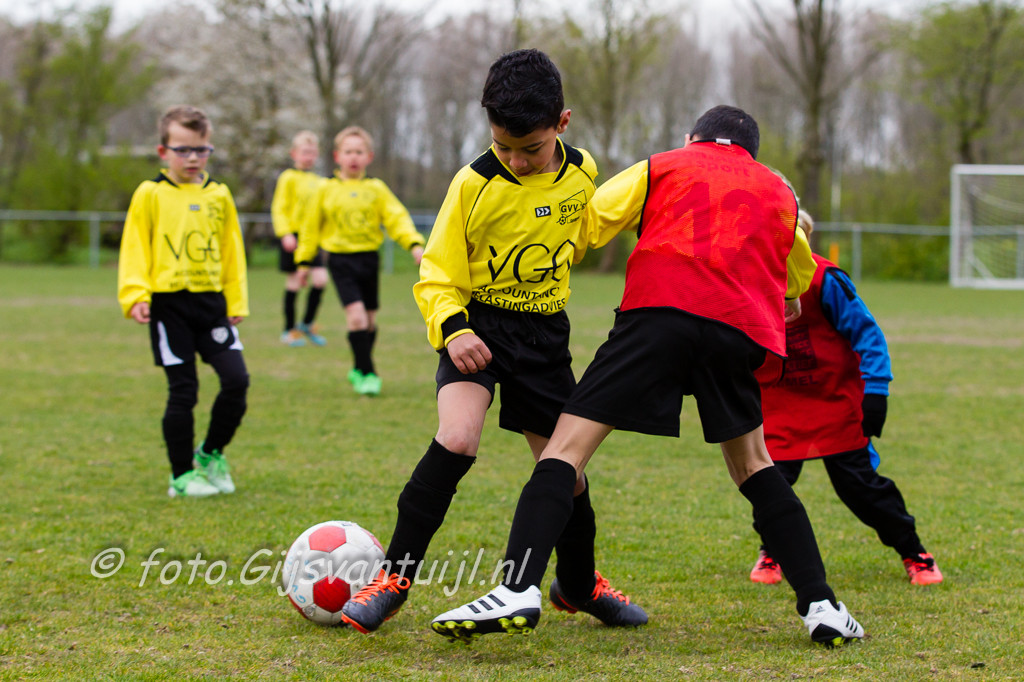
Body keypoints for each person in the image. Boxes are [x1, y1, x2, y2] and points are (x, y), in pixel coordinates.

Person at [431, 105, 866, 648]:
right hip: (736, 330)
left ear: (690, 138)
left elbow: (590, 222)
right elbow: (798, 270)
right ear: (752, 155)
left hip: (658, 314)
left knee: (564, 451)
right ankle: (821, 605)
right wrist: (790, 293)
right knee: (755, 465)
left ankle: (517, 588)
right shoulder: (778, 191)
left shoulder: (664, 164)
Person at [340, 48, 646, 634]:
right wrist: (453, 329)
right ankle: (393, 578)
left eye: (530, 149)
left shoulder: (583, 171)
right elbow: (437, 271)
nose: (517, 161)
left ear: (562, 123)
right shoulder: (472, 183)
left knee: (566, 469)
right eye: (504, 147)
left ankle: (578, 584)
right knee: (457, 438)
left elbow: (582, 233)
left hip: (545, 334)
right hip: (476, 327)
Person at [748, 211, 943, 587]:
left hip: (834, 403)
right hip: (778, 407)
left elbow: (868, 334)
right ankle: (771, 550)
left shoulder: (826, 279)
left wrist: (877, 391)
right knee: (770, 485)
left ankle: (914, 552)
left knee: (862, 489)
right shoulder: (747, 279)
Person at [117, 104, 250, 498]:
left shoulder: (219, 195)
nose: (193, 158)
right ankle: (181, 476)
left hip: (212, 305)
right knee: (184, 391)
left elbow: (231, 249)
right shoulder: (150, 194)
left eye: (201, 149)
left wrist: (236, 300)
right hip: (169, 306)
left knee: (237, 381)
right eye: (183, 150)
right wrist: (135, 294)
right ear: (163, 152)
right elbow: (135, 245)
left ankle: (210, 453)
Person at [295, 126, 424, 396]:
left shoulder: (376, 189)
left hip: (369, 260)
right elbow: (309, 228)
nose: (353, 157)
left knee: (369, 321)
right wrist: (304, 262)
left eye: (359, 151)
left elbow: (396, 218)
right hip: (340, 261)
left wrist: (413, 244)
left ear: (369, 156)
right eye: (348, 151)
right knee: (356, 318)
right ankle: (369, 374)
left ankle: (358, 367)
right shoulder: (325, 189)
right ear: (337, 156)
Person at [271, 130, 328, 348]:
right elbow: (279, 207)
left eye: (312, 152)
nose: (309, 156)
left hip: (311, 238)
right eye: (305, 152)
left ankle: (306, 324)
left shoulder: (319, 181)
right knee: (294, 282)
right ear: (294, 153)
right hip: (293, 236)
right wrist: (285, 233)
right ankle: (289, 330)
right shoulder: (288, 177)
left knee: (320, 280)